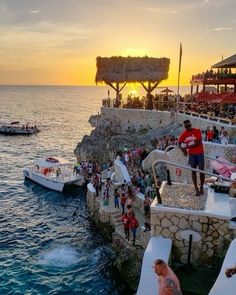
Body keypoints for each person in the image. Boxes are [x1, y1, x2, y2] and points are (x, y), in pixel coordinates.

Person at [178, 120, 205, 196]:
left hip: (200, 153)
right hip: (192, 155)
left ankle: (202, 188)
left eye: (189, 126)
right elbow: (179, 142)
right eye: (186, 127)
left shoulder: (197, 131)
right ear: (185, 127)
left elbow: (198, 142)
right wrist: (183, 149)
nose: (188, 127)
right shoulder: (184, 134)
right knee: (193, 172)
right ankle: (196, 188)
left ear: (191, 124)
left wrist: (186, 147)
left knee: (201, 171)